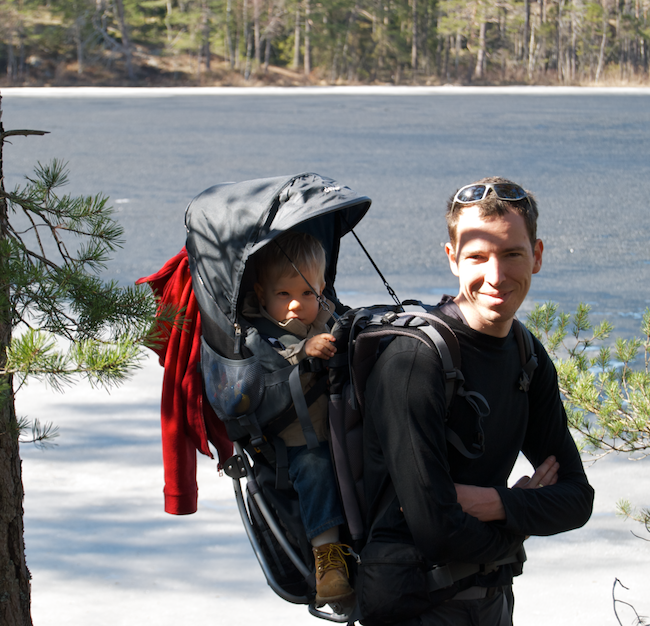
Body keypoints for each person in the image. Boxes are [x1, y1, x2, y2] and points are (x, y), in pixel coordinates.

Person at [359, 178, 594, 625]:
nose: (496, 276)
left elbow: (577, 498)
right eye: (477, 257)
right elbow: (436, 531)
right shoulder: (415, 361)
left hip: (490, 603)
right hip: (414, 607)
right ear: (452, 258)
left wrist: (493, 503)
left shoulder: (527, 356)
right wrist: (519, 525)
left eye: (511, 254)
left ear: (537, 256)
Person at [242, 230, 353, 607]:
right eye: (284, 295)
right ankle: (328, 562)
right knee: (317, 469)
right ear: (262, 295)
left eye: (308, 294)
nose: (296, 305)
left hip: (342, 429)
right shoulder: (261, 336)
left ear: (323, 289)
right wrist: (303, 350)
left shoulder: (329, 318)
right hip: (295, 444)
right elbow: (266, 371)